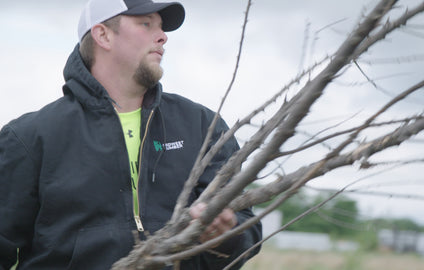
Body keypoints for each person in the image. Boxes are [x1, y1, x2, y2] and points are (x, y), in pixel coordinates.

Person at [0, 0, 262, 269]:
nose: (163, 36)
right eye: (146, 24)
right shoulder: (29, 138)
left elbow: (247, 233)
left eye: (161, 27)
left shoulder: (203, 127)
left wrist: (225, 237)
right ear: (103, 35)